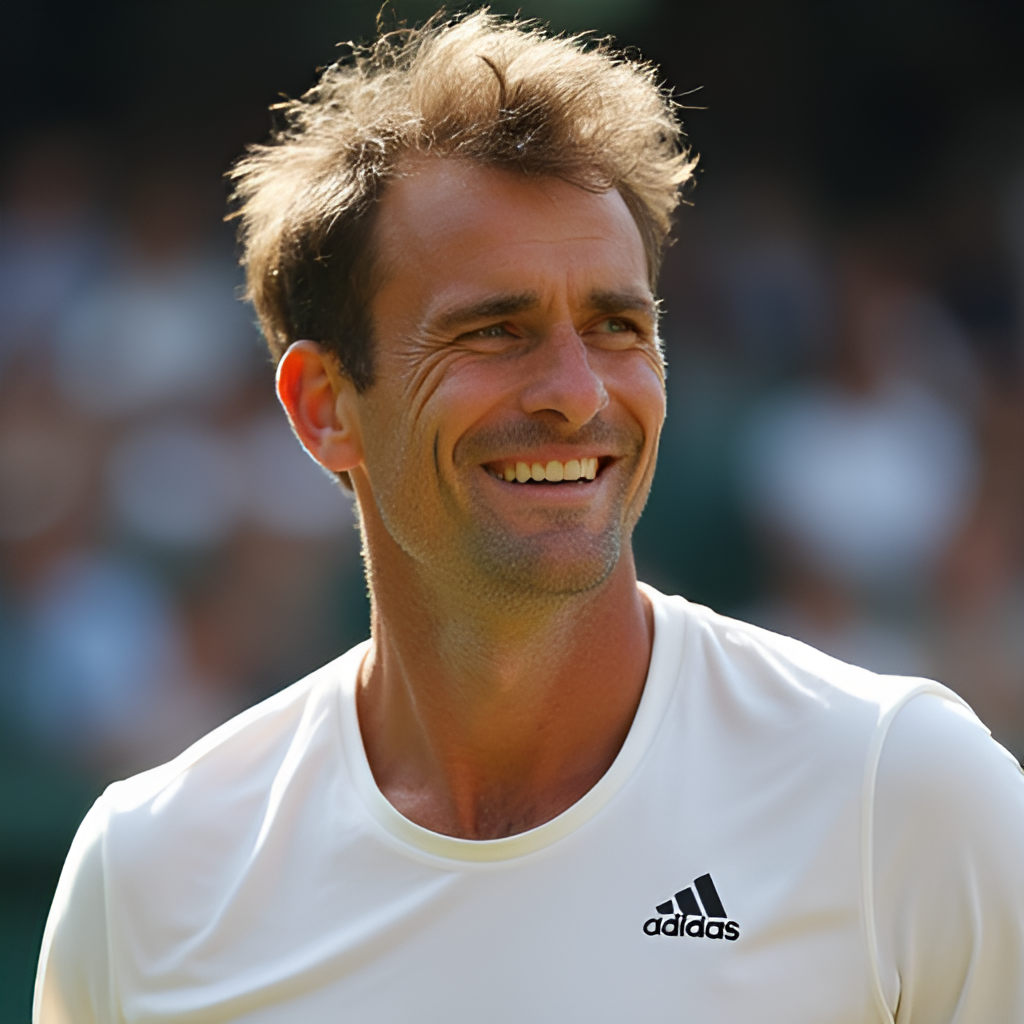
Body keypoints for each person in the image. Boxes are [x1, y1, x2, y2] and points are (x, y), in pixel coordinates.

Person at [34, 13, 1024, 1023]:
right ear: (325, 408)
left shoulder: (903, 797)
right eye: (495, 329)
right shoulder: (145, 874)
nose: (574, 390)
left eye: (615, 326)